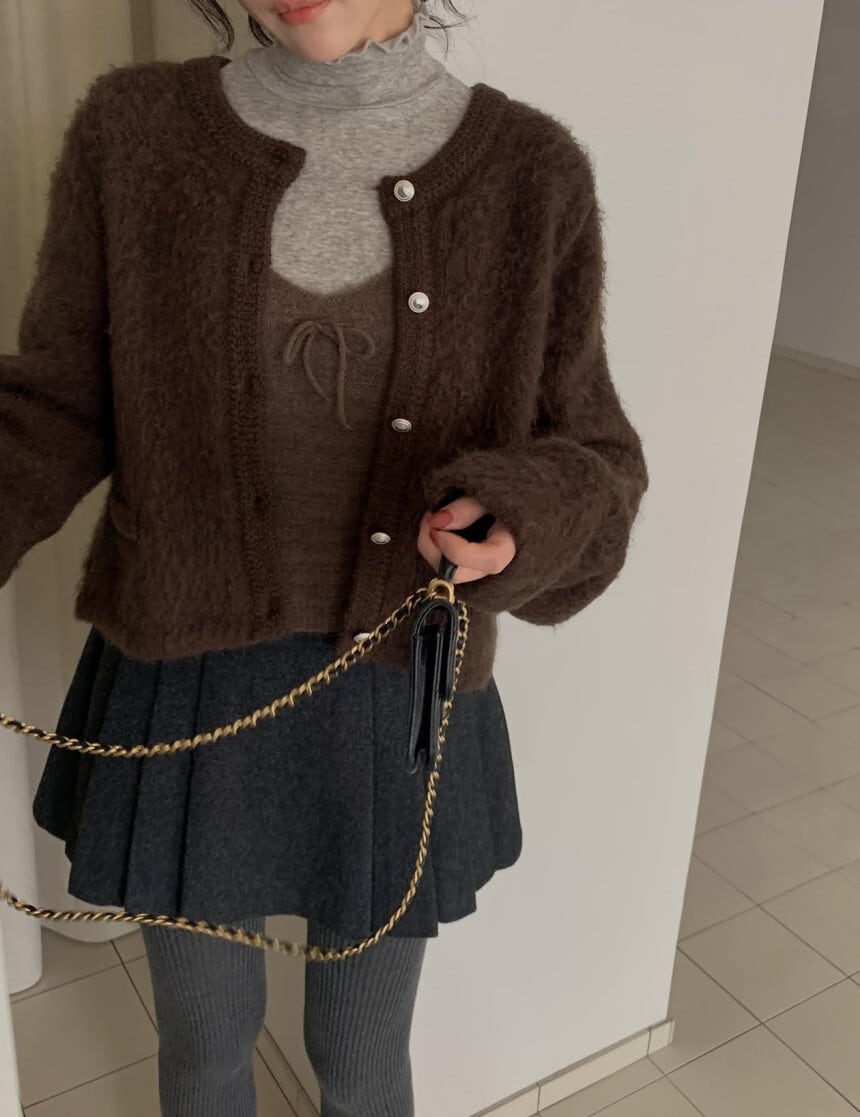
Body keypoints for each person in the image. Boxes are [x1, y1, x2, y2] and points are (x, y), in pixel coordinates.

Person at [0, 0, 648, 1113]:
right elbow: (55, 402)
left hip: (395, 695)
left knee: (358, 1056)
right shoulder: (133, 134)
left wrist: (518, 517)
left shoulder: (529, 174)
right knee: (204, 1039)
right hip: (186, 683)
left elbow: (594, 452)